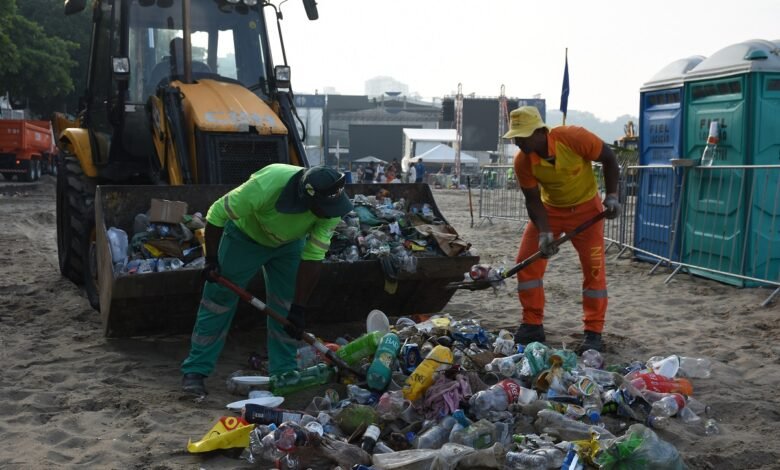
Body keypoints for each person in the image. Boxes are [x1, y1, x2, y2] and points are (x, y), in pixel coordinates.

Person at [180, 164, 353, 395]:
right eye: (324, 207)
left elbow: (313, 257)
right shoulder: (267, 184)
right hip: (244, 238)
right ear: (307, 197)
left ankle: (283, 373)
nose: (331, 212)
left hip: (289, 246)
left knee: (286, 307)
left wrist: (299, 308)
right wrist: (211, 259)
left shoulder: (331, 205)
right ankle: (196, 371)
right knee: (218, 300)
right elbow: (216, 213)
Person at [504, 106, 621, 353]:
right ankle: (532, 324)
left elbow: (609, 158)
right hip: (550, 211)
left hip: (588, 209)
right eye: (514, 136)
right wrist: (545, 233)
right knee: (526, 262)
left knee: (594, 271)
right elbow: (533, 200)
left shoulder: (574, 137)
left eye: (521, 135)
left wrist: (611, 196)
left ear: (539, 131)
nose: (517, 141)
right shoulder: (523, 161)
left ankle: (593, 333)